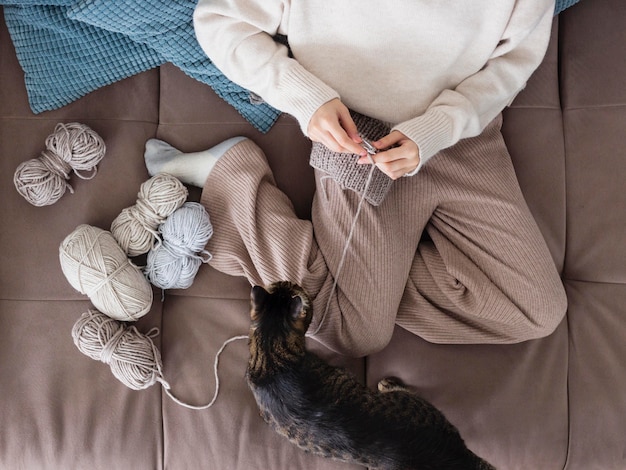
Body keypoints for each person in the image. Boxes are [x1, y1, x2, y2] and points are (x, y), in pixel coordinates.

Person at [145, 0, 567, 357]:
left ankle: (360, 287)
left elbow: (512, 65)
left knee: (536, 311)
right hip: (360, 138)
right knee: (352, 333)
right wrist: (308, 100)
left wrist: (441, 128)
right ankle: (234, 176)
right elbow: (220, 20)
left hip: (461, 138)